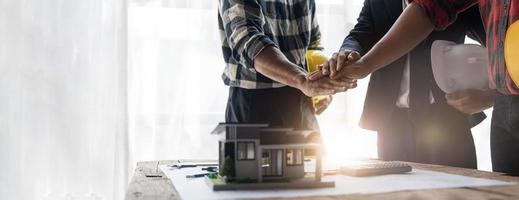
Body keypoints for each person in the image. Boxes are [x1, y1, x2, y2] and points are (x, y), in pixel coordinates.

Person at [310, 0, 519, 175]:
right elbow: (361, 32)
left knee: (456, 191)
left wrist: (491, 95)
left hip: (446, 117)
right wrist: (349, 54)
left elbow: (495, 42)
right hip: (391, 119)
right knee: (393, 192)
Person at [217, 0, 356, 131]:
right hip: (254, 100)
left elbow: (313, 43)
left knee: (309, 156)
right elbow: (247, 41)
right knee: (253, 156)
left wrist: (321, 80)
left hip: (301, 93)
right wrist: (302, 80)